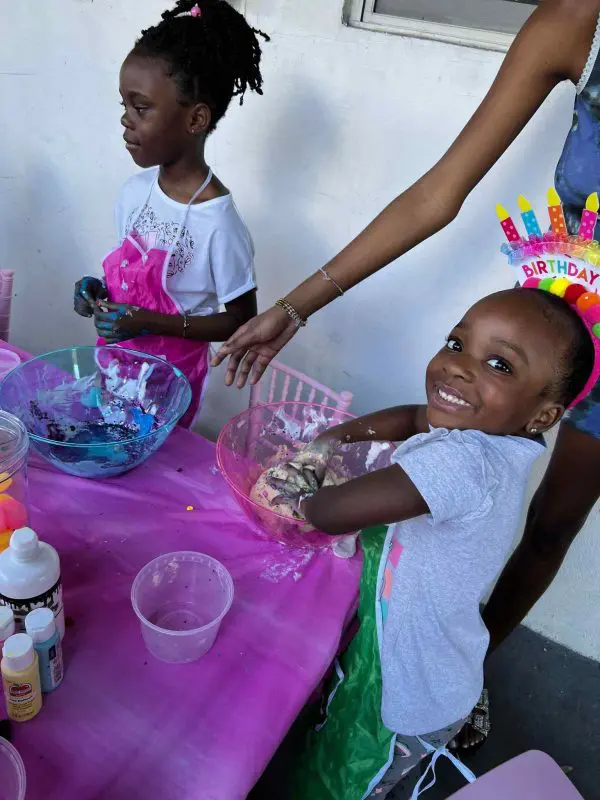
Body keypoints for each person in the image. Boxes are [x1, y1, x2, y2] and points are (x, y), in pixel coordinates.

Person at [213, 0, 600, 749]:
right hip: (553, 324)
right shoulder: (579, 22)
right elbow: (435, 194)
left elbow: (326, 512)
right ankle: (421, 669)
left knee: (550, 525)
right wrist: (294, 308)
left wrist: (313, 485)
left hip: (551, 367)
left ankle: (458, 677)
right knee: (461, 484)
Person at [262, 283, 597, 800]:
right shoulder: (497, 437)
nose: (458, 367)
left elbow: (330, 513)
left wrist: (300, 490)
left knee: (352, 778)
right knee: (341, 733)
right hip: (414, 653)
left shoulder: (464, 462)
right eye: (457, 343)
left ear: (544, 416)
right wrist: (333, 440)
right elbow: (414, 416)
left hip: (411, 695)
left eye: (500, 365)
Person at [74, 0, 268, 428]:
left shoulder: (218, 222)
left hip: (167, 384)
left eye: (141, 108)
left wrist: (149, 322)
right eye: (124, 106)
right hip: (116, 370)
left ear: (196, 118)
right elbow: (130, 279)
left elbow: (241, 321)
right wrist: (97, 291)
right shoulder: (135, 192)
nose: (126, 121)